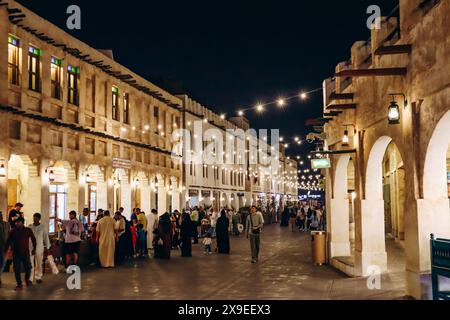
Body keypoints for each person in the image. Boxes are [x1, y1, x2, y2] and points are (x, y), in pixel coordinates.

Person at [4, 217, 36, 290]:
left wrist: (34, 248)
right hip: (16, 253)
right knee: (16, 269)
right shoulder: (13, 231)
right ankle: (19, 284)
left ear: (22, 222)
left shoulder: (28, 230)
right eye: (16, 222)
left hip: (25, 253)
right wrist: (5, 251)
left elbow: (33, 239)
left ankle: (27, 280)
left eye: (18, 222)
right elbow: (8, 241)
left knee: (28, 268)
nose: (16, 223)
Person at [28, 213, 50, 283]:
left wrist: (47, 247)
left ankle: (38, 277)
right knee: (30, 263)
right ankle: (30, 278)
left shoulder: (43, 227)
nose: (34, 219)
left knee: (39, 262)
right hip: (30, 247)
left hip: (39, 247)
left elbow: (46, 238)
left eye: (36, 218)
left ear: (39, 219)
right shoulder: (30, 227)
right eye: (34, 218)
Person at [0, 211, 11, 287]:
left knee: (3, 263)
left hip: (5, 247)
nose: (1, 216)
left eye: (1, 215)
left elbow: (10, 235)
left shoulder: (7, 224)